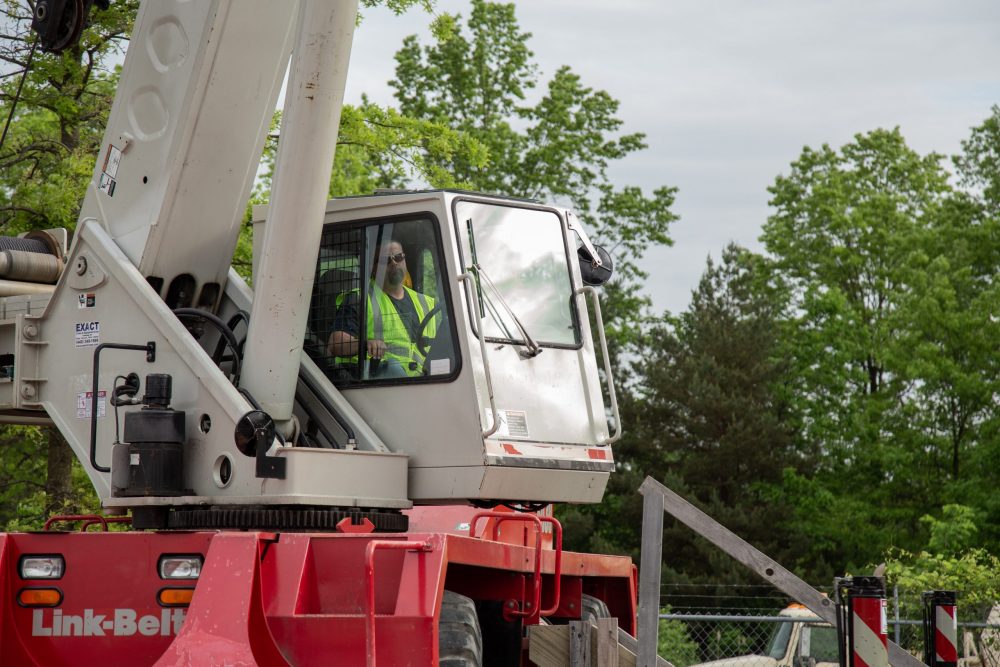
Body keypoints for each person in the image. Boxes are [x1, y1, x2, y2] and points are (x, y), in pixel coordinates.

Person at [327, 239, 436, 378]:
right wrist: (366, 344)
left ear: (405, 260)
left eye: (398, 257)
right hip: (378, 382)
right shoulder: (360, 299)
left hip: (425, 381)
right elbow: (336, 343)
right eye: (386, 260)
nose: (394, 263)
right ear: (373, 268)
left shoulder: (425, 302)